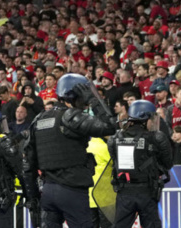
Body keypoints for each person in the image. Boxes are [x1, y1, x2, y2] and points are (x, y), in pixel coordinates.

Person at [23, 73, 117, 228]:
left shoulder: (39, 119)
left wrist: (33, 197)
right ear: (76, 95)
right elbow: (110, 126)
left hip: (47, 191)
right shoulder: (71, 116)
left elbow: (28, 164)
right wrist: (94, 101)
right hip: (72, 190)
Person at [107, 100, 172, 227]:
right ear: (145, 119)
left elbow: (114, 160)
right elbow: (168, 163)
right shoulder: (156, 138)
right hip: (147, 191)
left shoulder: (116, 138)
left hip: (124, 190)